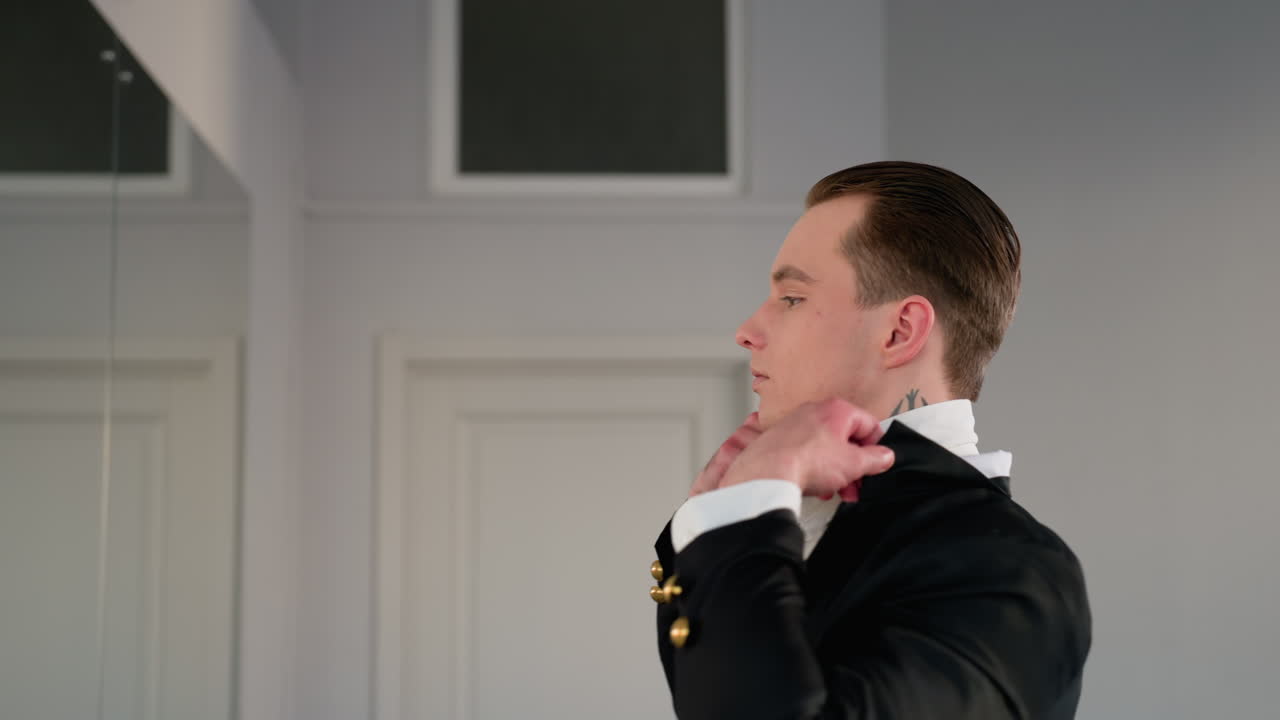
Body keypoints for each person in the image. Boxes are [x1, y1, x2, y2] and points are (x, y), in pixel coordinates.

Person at [649, 161, 1091, 719]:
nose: (747, 331)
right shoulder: (787, 518)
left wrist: (739, 521)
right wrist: (716, 523)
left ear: (899, 331)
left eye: (791, 299)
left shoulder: (1012, 569)